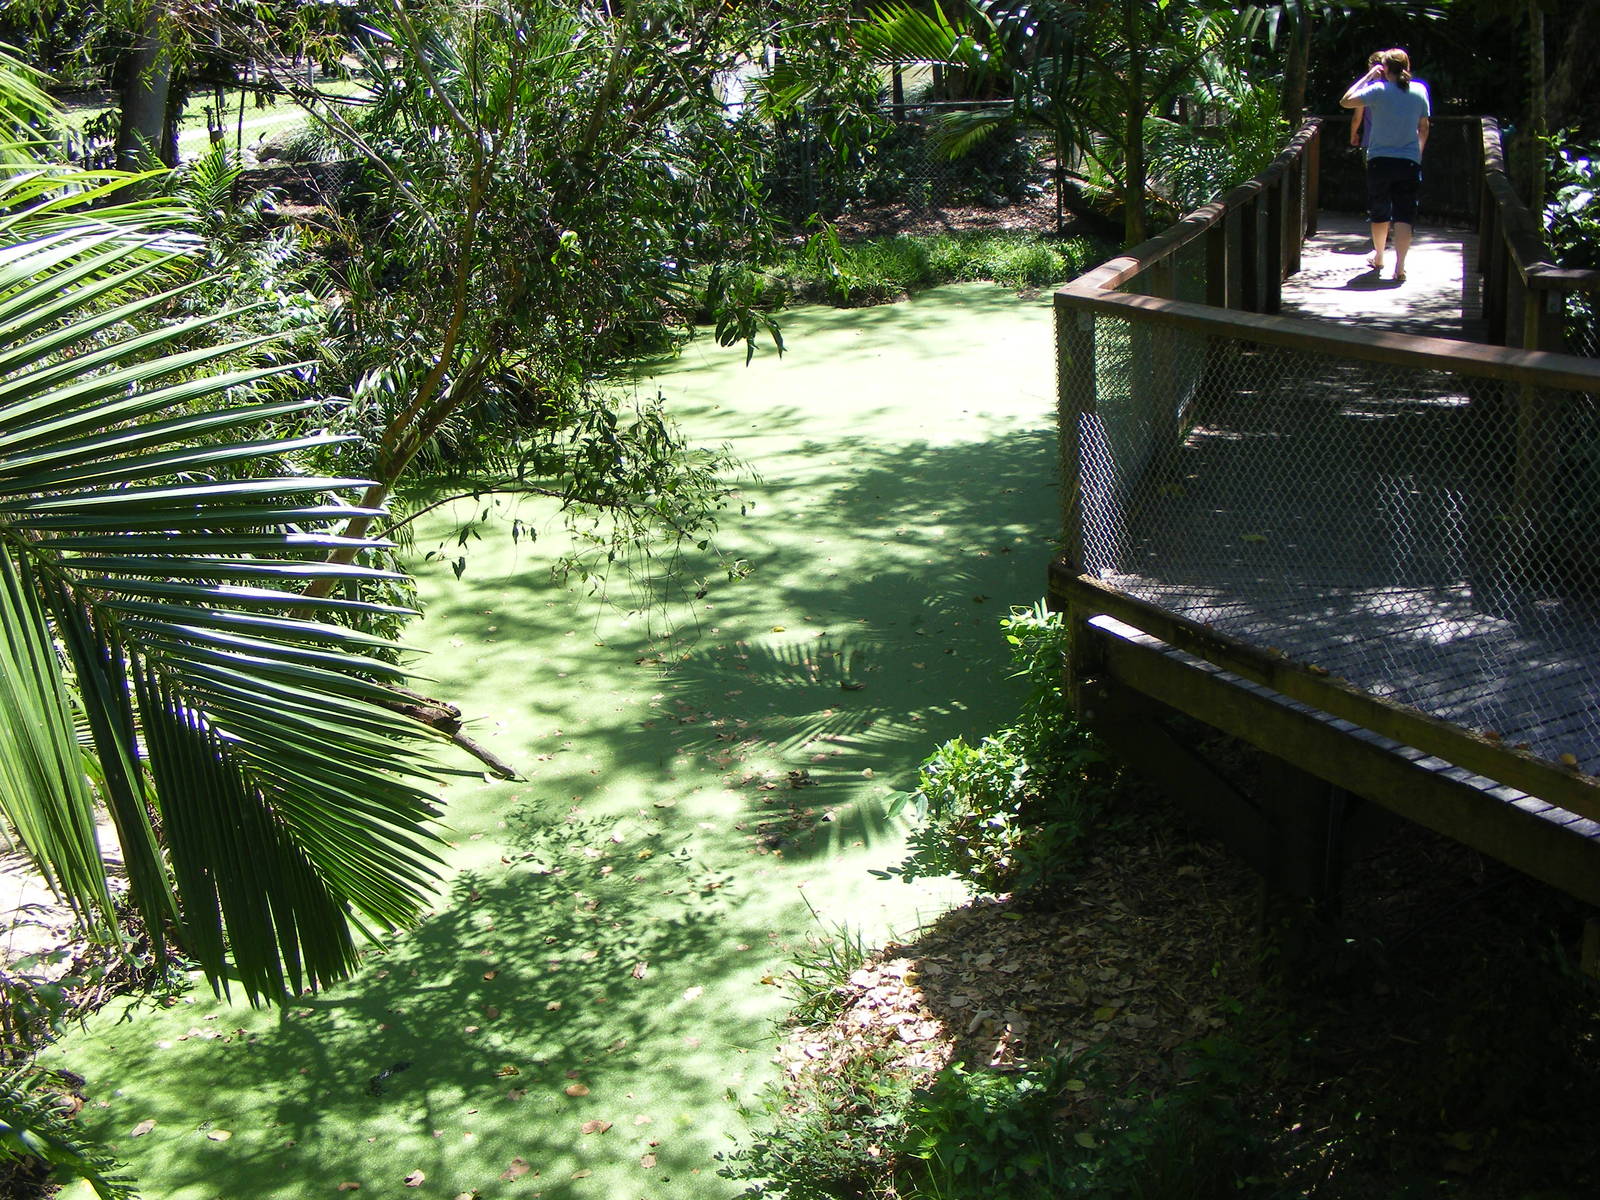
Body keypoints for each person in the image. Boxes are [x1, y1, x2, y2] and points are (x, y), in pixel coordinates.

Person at [1340, 48, 1430, 283]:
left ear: (1385, 67)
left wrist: (1369, 76)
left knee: (1380, 210)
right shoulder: (1419, 90)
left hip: (1379, 160)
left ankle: (1379, 256)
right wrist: (1417, 154)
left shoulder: (1378, 89)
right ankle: (1400, 267)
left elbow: (1346, 101)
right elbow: (1424, 127)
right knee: (1405, 214)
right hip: (1409, 161)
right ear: (1407, 67)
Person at [1347, 51, 1383, 151]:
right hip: (1395, 144)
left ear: (1371, 67)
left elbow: (1357, 118)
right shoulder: (1397, 88)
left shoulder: (1366, 89)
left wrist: (1353, 134)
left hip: (1371, 143)